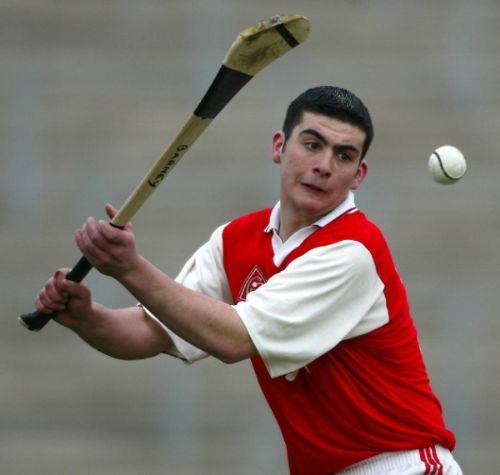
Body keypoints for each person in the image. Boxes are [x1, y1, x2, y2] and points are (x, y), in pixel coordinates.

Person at [35, 86, 463, 474]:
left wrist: (130, 268)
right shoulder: (235, 240)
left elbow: (233, 339)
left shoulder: (353, 250)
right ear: (279, 146)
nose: (323, 166)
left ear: (359, 175)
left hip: (402, 465)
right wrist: (88, 317)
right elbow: (153, 330)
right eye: (312, 145)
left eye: (344, 155)